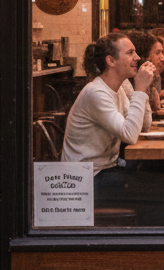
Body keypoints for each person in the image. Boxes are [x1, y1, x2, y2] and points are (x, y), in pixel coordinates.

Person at [61, 33, 156, 212]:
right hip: (85, 179)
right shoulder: (96, 93)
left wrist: (144, 89)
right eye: (130, 53)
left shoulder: (117, 89)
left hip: (108, 169)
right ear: (111, 61)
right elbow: (130, 135)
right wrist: (140, 89)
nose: (137, 58)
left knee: (159, 174)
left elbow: (143, 126)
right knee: (159, 189)